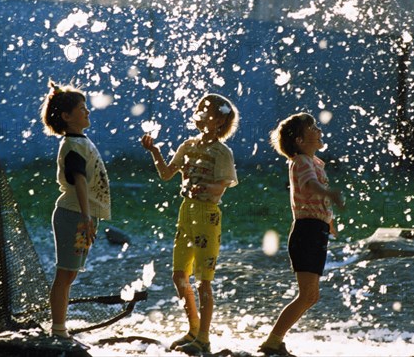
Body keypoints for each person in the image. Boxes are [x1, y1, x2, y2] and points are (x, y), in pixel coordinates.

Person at [141, 93, 239, 355]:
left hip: (208, 215)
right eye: (198, 109)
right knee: (179, 274)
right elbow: (166, 174)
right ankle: (194, 329)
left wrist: (202, 187)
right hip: (187, 213)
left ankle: (204, 338)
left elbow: (221, 188)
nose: (199, 113)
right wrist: (155, 152)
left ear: (219, 120)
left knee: (203, 280)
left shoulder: (222, 152)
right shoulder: (188, 145)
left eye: (205, 110)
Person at [260, 113, 345, 356]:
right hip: (307, 233)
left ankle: (274, 341)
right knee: (307, 294)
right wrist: (329, 195)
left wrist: (328, 222)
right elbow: (309, 186)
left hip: (313, 231)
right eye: (313, 128)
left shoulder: (312, 161)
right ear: (299, 140)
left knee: (311, 295)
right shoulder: (301, 162)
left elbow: (311, 200)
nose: (319, 130)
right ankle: (272, 342)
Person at [40, 80, 111, 339]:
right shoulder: (73, 145)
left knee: (70, 274)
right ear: (67, 117)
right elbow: (79, 181)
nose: (87, 111)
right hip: (73, 215)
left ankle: (60, 327)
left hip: (82, 214)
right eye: (82, 108)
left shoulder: (80, 141)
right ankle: (58, 329)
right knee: (65, 273)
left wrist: (89, 215)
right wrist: (85, 216)